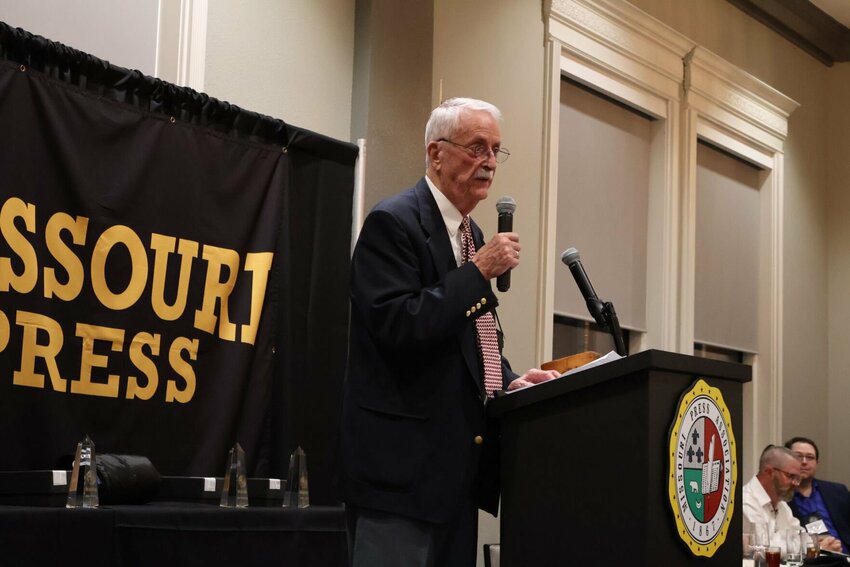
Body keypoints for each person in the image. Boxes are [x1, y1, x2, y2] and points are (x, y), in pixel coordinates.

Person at [340, 97, 560, 567]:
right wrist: (478, 271)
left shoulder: (471, 236)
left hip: (457, 480)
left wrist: (508, 381)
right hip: (399, 483)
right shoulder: (393, 223)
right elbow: (400, 326)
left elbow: (470, 341)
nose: (488, 163)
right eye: (477, 148)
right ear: (436, 153)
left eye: (496, 151)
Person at [785, 436, 848, 553]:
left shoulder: (838, 491)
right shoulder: (781, 497)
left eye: (810, 457)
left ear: (817, 463)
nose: (804, 462)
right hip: (809, 559)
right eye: (798, 456)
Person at [742, 445, 804, 557]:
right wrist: (789, 540)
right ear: (769, 472)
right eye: (791, 476)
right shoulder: (745, 502)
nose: (796, 484)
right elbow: (761, 552)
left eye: (798, 478)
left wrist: (777, 541)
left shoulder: (782, 505)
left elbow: (802, 538)